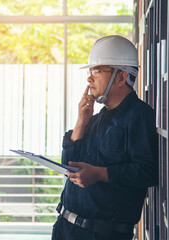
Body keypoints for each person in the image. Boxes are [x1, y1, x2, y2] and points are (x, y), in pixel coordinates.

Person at [51, 35, 158, 240]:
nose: (89, 78)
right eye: (90, 71)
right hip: (65, 229)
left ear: (121, 78)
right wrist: (82, 120)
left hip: (100, 234)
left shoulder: (140, 115)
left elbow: (148, 171)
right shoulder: (97, 117)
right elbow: (68, 166)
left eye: (97, 71)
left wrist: (100, 174)